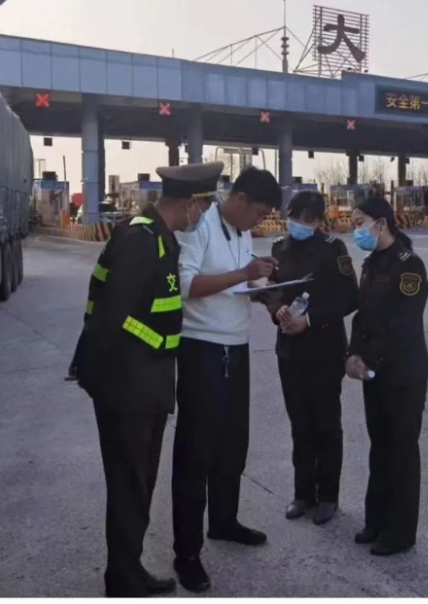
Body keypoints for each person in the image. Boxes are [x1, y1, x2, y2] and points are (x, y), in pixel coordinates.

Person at [73, 161, 224, 597]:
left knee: (136, 485)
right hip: (129, 388)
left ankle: (127, 569)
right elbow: (112, 317)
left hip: (143, 383)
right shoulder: (141, 240)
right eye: (203, 208)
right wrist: (150, 352)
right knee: (130, 485)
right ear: (191, 203)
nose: (202, 216)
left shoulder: (158, 237)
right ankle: (123, 578)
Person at [171, 166, 282, 593]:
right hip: (201, 349)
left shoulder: (242, 232)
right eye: (259, 212)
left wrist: (263, 290)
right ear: (239, 199)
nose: (260, 221)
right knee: (196, 451)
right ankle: (187, 553)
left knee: (233, 444)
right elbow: (186, 285)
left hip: (236, 348)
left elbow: (238, 286)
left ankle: (224, 520)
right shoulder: (199, 226)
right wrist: (244, 275)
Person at [345, 196, 428, 557]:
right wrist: (352, 355)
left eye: (359, 222)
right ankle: (376, 522)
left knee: (401, 453)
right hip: (375, 373)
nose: (355, 229)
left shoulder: (409, 266)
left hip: (403, 374)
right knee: (379, 449)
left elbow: (402, 323)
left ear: (381, 223)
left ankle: (399, 533)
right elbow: (363, 317)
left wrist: (370, 359)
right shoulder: (370, 264)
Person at [269, 191, 359, 525]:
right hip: (289, 350)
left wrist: (310, 319)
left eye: (308, 220)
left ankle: (328, 496)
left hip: (324, 349)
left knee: (326, 425)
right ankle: (302, 493)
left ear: (320, 221)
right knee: (300, 425)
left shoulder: (334, 249)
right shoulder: (279, 248)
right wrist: (277, 310)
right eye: (295, 217)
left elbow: (350, 297)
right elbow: (273, 292)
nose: (300, 225)